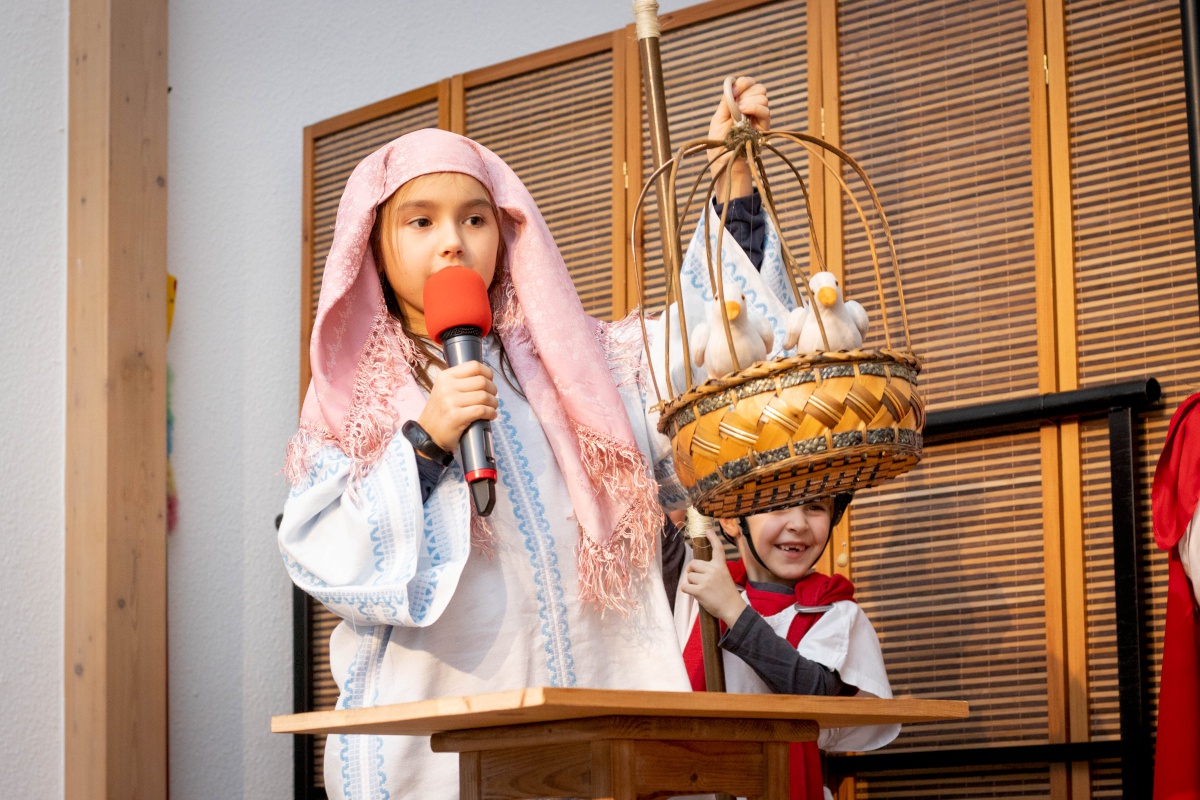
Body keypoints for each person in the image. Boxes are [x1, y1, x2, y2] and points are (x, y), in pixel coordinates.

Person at [278, 79, 774, 799]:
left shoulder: (579, 366)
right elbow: (323, 556)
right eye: (421, 222)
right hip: (440, 747)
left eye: (474, 218)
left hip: (596, 725)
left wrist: (733, 183)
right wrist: (426, 441)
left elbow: (711, 344)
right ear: (376, 248)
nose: (453, 240)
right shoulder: (354, 399)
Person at [676, 498, 899, 800]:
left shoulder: (834, 609)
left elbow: (815, 692)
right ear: (730, 520)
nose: (798, 524)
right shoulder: (694, 586)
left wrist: (732, 609)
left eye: (815, 507)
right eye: (778, 505)